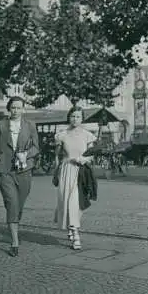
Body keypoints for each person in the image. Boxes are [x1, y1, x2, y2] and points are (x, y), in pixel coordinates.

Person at [0, 96, 39, 257]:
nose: (16, 111)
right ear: (9, 109)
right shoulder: (1, 126)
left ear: (23, 109)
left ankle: (14, 224)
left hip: (24, 171)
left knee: (19, 205)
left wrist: (26, 154)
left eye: (19, 108)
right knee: (11, 203)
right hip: (5, 171)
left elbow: (36, 148)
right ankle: (15, 242)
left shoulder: (30, 126)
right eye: (13, 108)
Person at [53, 105, 97, 250]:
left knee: (79, 204)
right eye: (73, 116)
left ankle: (72, 228)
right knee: (70, 202)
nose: (75, 119)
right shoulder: (62, 135)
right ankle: (76, 234)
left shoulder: (87, 135)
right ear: (69, 117)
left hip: (83, 172)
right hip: (67, 171)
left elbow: (91, 155)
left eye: (78, 116)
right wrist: (57, 171)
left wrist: (85, 160)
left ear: (82, 118)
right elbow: (58, 156)